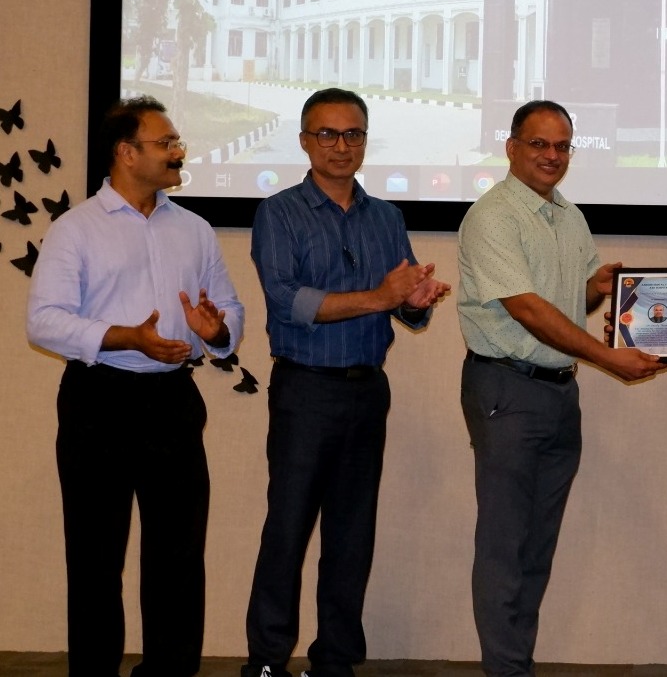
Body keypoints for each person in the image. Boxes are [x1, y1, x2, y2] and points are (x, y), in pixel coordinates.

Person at [26, 95, 245, 677]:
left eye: (177, 143)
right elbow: (43, 321)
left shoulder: (195, 229)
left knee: (179, 558)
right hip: (98, 400)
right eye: (165, 143)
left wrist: (218, 331)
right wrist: (125, 336)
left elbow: (228, 308)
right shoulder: (75, 229)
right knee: (96, 559)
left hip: (173, 401)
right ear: (126, 153)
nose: (178, 152)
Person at [243, 88, 450, 677]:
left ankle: (334, 662)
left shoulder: (387, 217)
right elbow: (287, 302)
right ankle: (266, 662)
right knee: (287, 531)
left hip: (367, 390)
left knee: (352, 535)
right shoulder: (278, 212)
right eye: (327, 134)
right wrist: (380, 297)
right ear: (305, 141)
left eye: (353, 134)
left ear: (365, 140)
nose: (341, 146)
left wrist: (413, 302)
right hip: (305, 391)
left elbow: (401, 305)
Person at [456, 99, 667, 676]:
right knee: (504, 546)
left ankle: (516, 663)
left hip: (557, 393)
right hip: (507, 390)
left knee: (536, 546)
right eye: (539, 144)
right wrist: (607, 357)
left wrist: (601, 286)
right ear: (511, 148)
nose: (552, 156)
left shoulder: (568, 215)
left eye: (562, 146)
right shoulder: (493, 216)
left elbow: (575, 301)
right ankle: (506, 670)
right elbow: (526, 309)